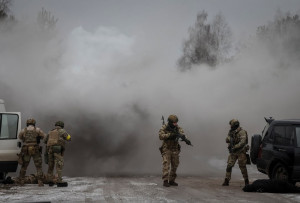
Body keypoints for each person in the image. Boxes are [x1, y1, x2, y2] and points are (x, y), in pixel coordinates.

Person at [158, 115, 191, 187]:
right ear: (170, 122)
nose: (175, 124)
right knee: (166, 164)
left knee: (175, 165)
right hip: (166, 148)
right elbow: (160, 136)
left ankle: (172, 180)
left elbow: (182, 134)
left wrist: (185, 139)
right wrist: (170, 135)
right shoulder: (164, 127)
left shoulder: (178, 128)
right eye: (174, 123)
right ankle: (165, 180)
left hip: (175, 149)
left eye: (176, 122)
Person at [18, 118, 46, 186]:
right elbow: (44, 137)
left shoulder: (23, 130)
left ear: (27, 123)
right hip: (35, 149)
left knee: (24, 166)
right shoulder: (37, 130)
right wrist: (38, 138)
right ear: (34, 123)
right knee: (38, 166)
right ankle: (40, 182)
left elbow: (20, 137)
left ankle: (21, 181)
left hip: (26, 150)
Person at [222, 119, 249, 186]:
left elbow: (243, 142)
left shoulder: (242, 132)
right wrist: (229, 139)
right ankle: (226, 180)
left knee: (242, 167)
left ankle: (246, 180)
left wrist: (235, 146)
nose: (230, 127)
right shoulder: (231, 132)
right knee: (229, 165)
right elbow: (227, 140)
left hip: (241, 151)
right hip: (233, 152)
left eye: (231, 125)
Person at [44, 121, 71, 185]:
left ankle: (49, 180)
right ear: (62, 126)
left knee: (51, 165)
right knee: (59, 165)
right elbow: (69, 138)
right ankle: (59, 180)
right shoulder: (63, 131)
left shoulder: (50, 131)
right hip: (57, 150)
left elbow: (45, 140)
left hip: (50, 150)